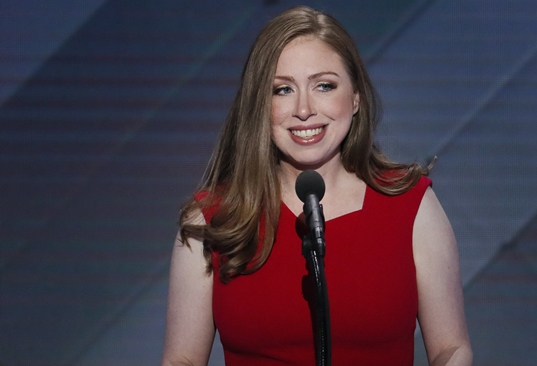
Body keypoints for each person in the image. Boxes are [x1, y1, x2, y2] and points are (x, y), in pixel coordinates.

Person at [162, 5, 472, 366]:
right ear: (259, 105)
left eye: (324, 85)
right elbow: (182, 359)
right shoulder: (211, 220)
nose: (304, 109)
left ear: (355, 97)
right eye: (282, 90)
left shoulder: (411, 205)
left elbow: (450, 347)